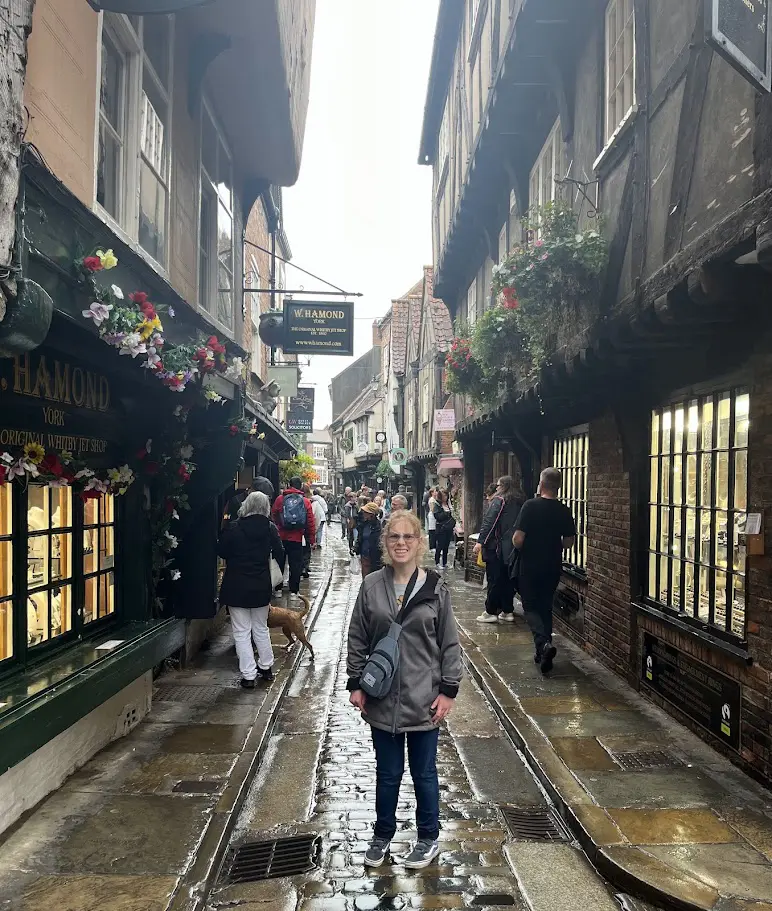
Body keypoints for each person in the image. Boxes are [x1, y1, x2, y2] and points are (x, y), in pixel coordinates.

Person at [347, 510, 462, 870]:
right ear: (385, 543)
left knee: (424, 773)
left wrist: (448, 690)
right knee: (387, 772)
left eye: (407, 537)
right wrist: (355, 682)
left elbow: (450, 643)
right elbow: (357, 637)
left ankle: (428, 837)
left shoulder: (435, 588)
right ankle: (383, 834)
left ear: (419, 543)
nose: (400, 543)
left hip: (424, 697)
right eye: (394, 537)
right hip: (381, 698)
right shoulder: (371, 586)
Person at [513, 467, 576, 674]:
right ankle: (542, 655)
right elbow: (568, 543)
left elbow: (518, 539)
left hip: (530, 564)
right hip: (552, 565)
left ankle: (543, 644)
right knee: (546, 606)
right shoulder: (564, 510)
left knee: (530, 606)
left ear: (541, 484)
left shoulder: (530, 506)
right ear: (558, 486)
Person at [218, 492, 284, 688]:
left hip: (236, 586)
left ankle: (248, 675)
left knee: (241, 632)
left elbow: (221, 551)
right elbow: (280, 552)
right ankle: (266, 667)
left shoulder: (234, 528)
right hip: (261, 586)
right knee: (260, 628)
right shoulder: (270, 528)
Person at [474, 476, 525, 623]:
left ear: (503, 486)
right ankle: (507, 610)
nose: (496, 488)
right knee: (508, 580)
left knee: (494, 579)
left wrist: (481, 542)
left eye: (497, 486)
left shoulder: (500, 500)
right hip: (513, 547)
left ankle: (490, 611)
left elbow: (490, 522)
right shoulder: (521, 501)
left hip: (496, 547)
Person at [271, 477, 315, 596]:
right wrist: (311, 538)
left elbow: (273, 514)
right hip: (297, 537)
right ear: (300, 486)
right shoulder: (305, 501)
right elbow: (310, 521)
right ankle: (294, 591)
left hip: (281, 537)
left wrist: (278, 526)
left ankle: (278, 589)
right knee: (295, 564)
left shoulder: (280, 499)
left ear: (289, 485)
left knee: (280, 562)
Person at [356, 501, 383, 576]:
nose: (364, 514)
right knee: (365, 578)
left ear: (372, 514)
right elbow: (360, 537)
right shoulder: (363, 524)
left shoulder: (379, 527)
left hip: (374, 558)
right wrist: (356, 547)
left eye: (366, 512)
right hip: (364, 556)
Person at [433, 490, 455, 570]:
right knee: (440, 545)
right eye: (444, 496)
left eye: (446, 495)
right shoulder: (437, 505)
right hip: (441, 528)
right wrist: (446, 513)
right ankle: (437, 562)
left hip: (448, 528)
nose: (445, 497)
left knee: (446, 546)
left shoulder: (448, 504)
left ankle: (444, 563)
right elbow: (437, 516)